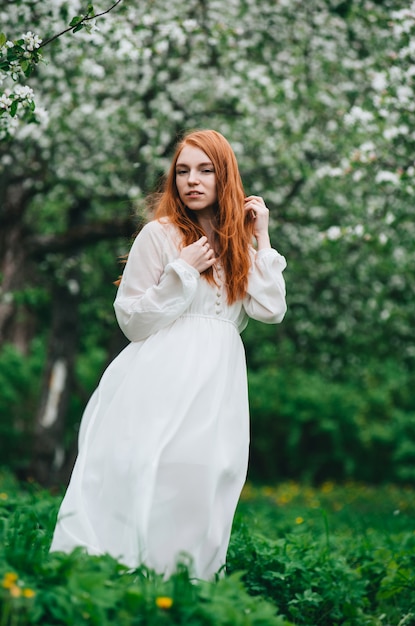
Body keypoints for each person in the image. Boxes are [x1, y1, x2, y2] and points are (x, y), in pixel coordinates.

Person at [50, 129, 287, 580]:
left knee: (208, 476)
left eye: (205, 170)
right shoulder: (158, 235)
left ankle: (186, 585)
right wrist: (181, 272)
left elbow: (271, 308)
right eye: (182, 171)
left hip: (219, 381)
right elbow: (132, 320)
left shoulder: (239, 243)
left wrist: (262, 237)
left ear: (225, 178)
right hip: (161, 373)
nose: (192, 181)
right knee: (152, 468)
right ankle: (124, 574)